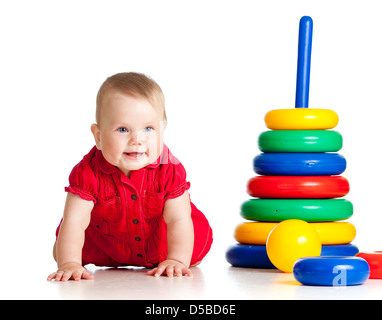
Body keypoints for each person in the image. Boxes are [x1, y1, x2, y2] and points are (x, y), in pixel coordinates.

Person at [47, 72, 213, 281]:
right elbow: (75, 221)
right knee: (63, 249)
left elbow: (178, 219)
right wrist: (69, 263)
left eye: (148, 128)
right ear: (99, 136)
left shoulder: (169, 168)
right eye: (123, 129)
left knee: (189, 248)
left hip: (160, 245)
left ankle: (175, 258)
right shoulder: (87, 172)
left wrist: (177, 260)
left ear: (162, 130)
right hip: (106, 245)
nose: (137, 139)